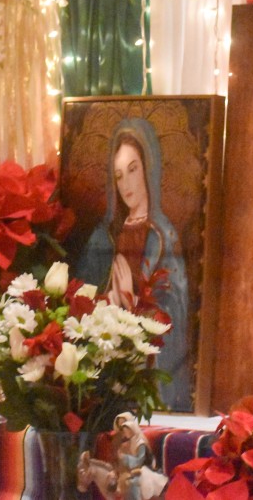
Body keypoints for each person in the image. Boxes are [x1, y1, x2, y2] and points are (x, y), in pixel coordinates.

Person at [77, 117, 192, 410]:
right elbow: (79, 301)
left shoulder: (162, 237)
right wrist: (104, 303)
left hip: (145, 375)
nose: (126, 184)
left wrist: (135, 302)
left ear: (148, 169)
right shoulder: (103, 238)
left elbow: (175, 313)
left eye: (132, 170)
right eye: (118, 175)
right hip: (105, 366)